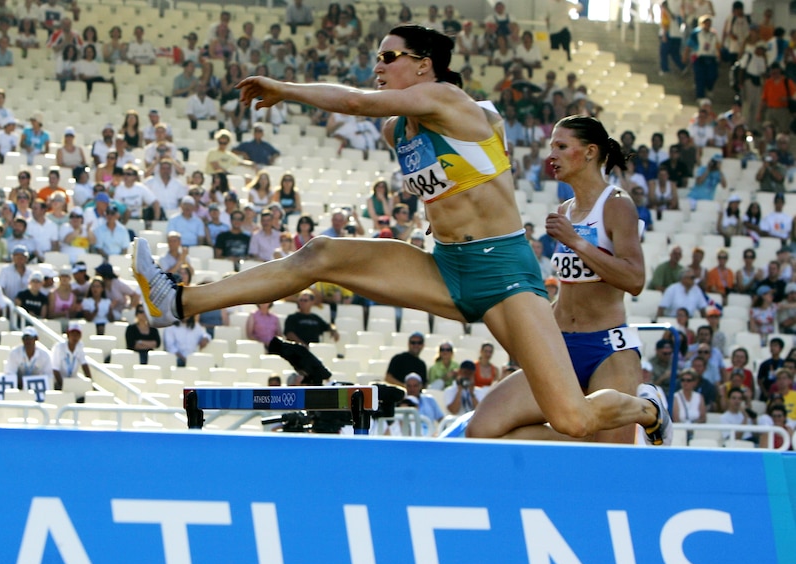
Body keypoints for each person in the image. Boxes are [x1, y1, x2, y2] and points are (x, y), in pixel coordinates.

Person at [132, 25, 671, 445]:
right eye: (377, 58)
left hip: (504, 274)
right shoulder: (401, 129)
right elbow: (407, 147)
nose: (378, 67)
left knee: (572, 418)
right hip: (446, 267)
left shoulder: (454, 104)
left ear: (424, 66)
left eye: (389, 58)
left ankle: (646, 408)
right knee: (320, 253)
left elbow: (358, 103)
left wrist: (285, 89)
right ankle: (177, 301)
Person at [473, 114, 648, 444]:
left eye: (561, 146)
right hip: (560, 344)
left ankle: (648, 409)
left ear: (590, 151)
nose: (551, 155)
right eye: (551, 146)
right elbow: (570, 291)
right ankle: (584, 444)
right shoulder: (565, 210)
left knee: (611, 461)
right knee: (483, 430)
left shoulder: (617, 204)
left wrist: (577, 242)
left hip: (607, 347)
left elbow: (635, 279)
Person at [5, 326, 54, 390]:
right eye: (25, 338)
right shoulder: (14, 353)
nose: (27, 341)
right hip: (18, 387)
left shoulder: (45, 355)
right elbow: (10, 373)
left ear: (36, 339)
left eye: (30, 338)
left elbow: (49, 376)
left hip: (38, 388)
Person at [51, 321, 91, 390]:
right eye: (73, 334)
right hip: (57, 381)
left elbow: (84, 364)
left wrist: (90, 382)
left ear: (80, 336)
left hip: (72, 381)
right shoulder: (59, 347)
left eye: (77, 334)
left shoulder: (80, 346)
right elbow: (55, 369)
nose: (75, 337)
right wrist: (63, 386)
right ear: (68, 334)